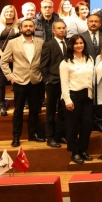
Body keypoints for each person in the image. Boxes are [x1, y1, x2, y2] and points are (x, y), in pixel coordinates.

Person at [1, 19, 45, 147]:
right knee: (18, 111)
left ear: (34, 28)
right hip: (19, 81)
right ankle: (16, 136)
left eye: (30, 26)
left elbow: (43, 61)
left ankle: (33, 134)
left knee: (34, 110)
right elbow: (3, 61)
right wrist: (10, 76)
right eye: (25, 26)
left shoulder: (40, 42)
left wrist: (42, 76)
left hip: (35, 81)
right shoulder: (12, 42)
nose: (28, 28)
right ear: (21, 28)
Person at [60, 34, 94, 164]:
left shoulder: (89, 59)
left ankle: (82, 149)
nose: (79, 45)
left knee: (87, 124)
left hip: (88, 95)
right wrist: (67, 100)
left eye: (81, 43)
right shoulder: (66, 62)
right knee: (72, 126)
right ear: (71, 45)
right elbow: (64, 82)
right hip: (73, 95)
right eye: (76, 43)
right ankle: (74, 152)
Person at [40, 20, 68, 148]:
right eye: (59, 28)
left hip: (66, 83)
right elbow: (43, 65)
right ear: (53, 30)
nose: (62, 30)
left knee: (63, 110)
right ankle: (50, 137)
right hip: (53, 82)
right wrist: (48, 80)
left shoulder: (69, 43)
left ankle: (60, 135)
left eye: (63, 28)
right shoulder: (48, 45)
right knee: (50, 110)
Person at [0, 5, 20, 116]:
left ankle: (18, 104)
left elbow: (21, 41)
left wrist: (14, 56)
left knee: (17, 81)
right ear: (3, 13)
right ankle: (2, 104)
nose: (9, 13)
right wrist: (4, 56)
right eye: (7, 12)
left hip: (16, 58)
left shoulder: (18, 25)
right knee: (0, 82)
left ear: (14, 14)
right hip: (1, 56)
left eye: (11, 12)